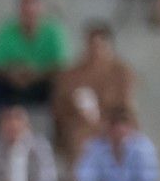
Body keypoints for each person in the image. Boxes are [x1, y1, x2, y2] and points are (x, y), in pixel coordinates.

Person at [0, 0, 68, 139]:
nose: (30, 9)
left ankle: (61, 138)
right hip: (11, 84)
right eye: (26, 4)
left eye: (34, 4)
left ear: (42, 7)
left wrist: (36, 74)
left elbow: (62, 67)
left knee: (63, 89)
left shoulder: (55, 32)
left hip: (42, 85)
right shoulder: (5, 31)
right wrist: (12, 74)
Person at [50, 22, 135, 163]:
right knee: (80, 137)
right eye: (91, 45)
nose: (95, 50)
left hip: (115, 123)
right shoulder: (71, 75)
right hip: (79, 125)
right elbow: (59, 107)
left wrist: (106, 122)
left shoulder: (122, 73)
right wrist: (78, 110)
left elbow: (126, 106)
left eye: (100, 45)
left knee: (123, 136)